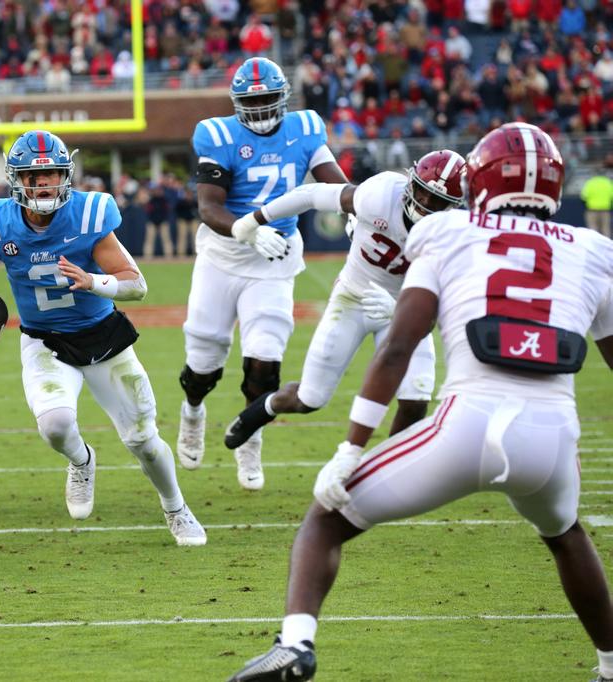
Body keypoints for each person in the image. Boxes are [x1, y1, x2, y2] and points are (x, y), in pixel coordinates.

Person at [227, 123, 613, 681]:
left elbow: (398, 348)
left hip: (466, 427)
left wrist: (351, 447)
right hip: (552, 438)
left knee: (325, 521)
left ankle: (296, 644)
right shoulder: (597, 251)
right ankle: (608, 665)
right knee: (566, 535)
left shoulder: (450, 233)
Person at [0, 129, 206, 546]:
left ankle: (176, 508)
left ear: (66, 176)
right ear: (17, 180)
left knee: (144, 439)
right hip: (45, 341)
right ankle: (82, 460)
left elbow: (135, 285)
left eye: (51, 176)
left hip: (102, 337)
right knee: (55, 425)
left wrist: (94, 282)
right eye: (34, 176)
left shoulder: (88, 214)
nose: (44, 185)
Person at [177, 56, 349, 491]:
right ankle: (193, 410)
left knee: (265, 360)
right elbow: (208, 205)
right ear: (236, 103)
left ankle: (250, 438)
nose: (260, 110)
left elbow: (333, 181)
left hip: (275, 260)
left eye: (269, 100)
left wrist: (356, 209)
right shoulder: (216, 134)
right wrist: (247, 231)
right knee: (204, 362)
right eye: (252, 102)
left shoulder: (306, 129)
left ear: (284, 99)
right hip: (224, 254)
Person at [224, 150, 466, 450]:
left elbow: (446, 307)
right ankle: (261, 410)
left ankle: (385, 471)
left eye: (437, 200)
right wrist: (253, 220)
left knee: (416, 400)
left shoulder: (457, 234)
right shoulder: (380, 195)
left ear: (454, 206)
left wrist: (402, 311)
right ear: (410, 181)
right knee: (310, 398)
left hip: (405, 309)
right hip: (353, 297)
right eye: (423, 192)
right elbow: (311, 194)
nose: (426, 204)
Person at [580, 154, 613, 239]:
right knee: (606, 232)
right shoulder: (608, 182)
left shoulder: (590, 182)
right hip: (605, 210)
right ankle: (607, 251)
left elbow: (583, 197)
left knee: (593, 232)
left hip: (592, 210)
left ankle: (594, 251)